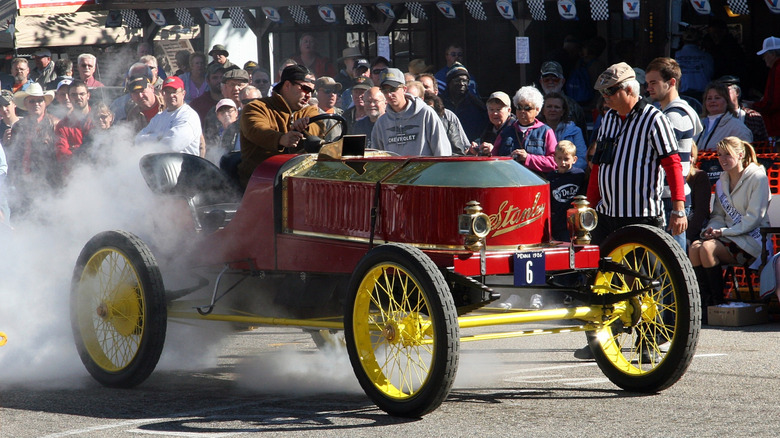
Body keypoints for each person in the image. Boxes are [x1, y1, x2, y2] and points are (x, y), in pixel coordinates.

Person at [575, 62, 687, 360]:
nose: (605, 98)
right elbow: (598, 165)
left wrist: (678, 207)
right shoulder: (609, 118)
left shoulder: (654, 119)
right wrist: (589, 205)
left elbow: (672, 164)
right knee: (598, 279)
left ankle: (647, 343)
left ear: (628, 89)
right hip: (608, 215)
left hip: (642, 217)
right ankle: (601, 340)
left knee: (643, 284)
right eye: (602, 93)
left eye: (610, 92)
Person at [689, 137, 769, 322]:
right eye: (720, 155)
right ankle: (703, 305)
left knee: (707, 248)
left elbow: (753, 218)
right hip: (727, 237)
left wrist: (722, 232)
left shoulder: (758, 177)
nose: (722, 159)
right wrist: (711, 229)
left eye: (728, 155)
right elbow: (718, 215)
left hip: (753, 240)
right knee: (695, 248)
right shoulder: (721, 181)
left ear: (740, 155)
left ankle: (717, 303)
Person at [645, 57, 704, 250]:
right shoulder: (672, 112)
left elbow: (669, 162)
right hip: (670, 198)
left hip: (671, 199)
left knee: (673, 266)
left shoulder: (674, 116)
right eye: (647, 83)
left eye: (654, 82)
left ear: (671, 82)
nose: (649, 88)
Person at [238, 65, 323, 188]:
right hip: (260, 182)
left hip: (301, 180)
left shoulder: (309, 112)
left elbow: (319, 127)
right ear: (287, 85)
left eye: (311, 91)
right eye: (305, 88)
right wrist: (281, 139)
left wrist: (304, 129)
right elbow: (256, 129)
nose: (308, 95)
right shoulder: (256, 107)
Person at [371, 68, 450, 157]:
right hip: (395, 171)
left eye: (393, 89)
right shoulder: (381, 123)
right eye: (385, 91)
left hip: (425, 170)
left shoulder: (425, 113)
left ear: (404, 89)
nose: (389, 94)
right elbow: (377, 158)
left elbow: (442, 151)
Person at [6, 83, 58, 218]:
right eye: (32, 101)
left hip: (46, 183)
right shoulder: (18, 126)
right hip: (22, 183)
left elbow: (59, 156)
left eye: (40, 100)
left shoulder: (54, 124)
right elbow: (14, 156)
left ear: (45, 103)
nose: (36, 104)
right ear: (26, 104)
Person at [492, 86, 557, 174]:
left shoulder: (546, 131)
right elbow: (494, 159)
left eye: (527, 108)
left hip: (536, 183)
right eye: (519, 107)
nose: (522, 111)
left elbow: (554, 162)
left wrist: (528, 158)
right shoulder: (505, 132)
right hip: (509, 182)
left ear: (537, 110)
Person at [136, 76, 201, 156]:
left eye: (174, 91)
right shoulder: (159, 116)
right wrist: (160, 137)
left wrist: (150, 139)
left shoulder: (188, 116)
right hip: (159, 165)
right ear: (162, 94)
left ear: (183, 94)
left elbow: (172, 145)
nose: (171, 95)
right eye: (167, 92)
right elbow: (138, 140)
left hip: (184, 167)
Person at [546, 140, 586, 241]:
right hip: (557, 222)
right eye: (559, 158)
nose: (563, 162)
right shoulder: (551, 177)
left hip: (575, 222)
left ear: (574, 159)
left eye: (566, 159)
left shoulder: (579, 176)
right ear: (554, 158)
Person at [695, 81, 752, 151]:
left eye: (717, 98)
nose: (712, 101)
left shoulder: (736, 127)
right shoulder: (697, 123)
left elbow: (745, 153)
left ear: (727, 101)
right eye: (709, 98)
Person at [538, 61, 588, 137]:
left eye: (555, 79)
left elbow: (583, 135)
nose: (550, 82)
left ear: (563, 81)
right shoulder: (534, 105)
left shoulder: (574, 107)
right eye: (546, 79)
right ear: (541, 81)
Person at [539, 92, 587, 170]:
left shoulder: (574, 131)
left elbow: (582, 158)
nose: (553, 110)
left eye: (557, 107)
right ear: (543, 110)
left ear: (563, 112)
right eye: (549, 106)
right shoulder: (536, 130)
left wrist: (565, 172)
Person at [440, 62, 487, 142]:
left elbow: (484, 128)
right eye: (457, 80)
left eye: (465, 81)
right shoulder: (439, 103)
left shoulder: (476, 105)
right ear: (449, 82)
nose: (462, 84)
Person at [717, 75, 769, 144]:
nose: (722, 95)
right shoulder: (713, 118)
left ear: (737, 92)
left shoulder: (753, 116)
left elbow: (764, 144)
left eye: (726, 91)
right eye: (719, 93)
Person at [54, 80, 92, 166]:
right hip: (73, 175)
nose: (78, 97)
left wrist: (76, 150)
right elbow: (61, 153)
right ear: (69, 98)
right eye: (74, 95)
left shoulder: (99, 119)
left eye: (82, 94)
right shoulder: (62, 126)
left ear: (88, 95)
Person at [467, 91, 516, 156]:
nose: (494, 113)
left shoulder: (516, 128)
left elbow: (516, 156)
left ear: (509, 110)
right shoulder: (486, 128)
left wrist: (494, 151)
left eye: (498, 109)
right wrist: (473, 151)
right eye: (491, 109)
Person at [421, 90, 469, 155]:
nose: (427, 111)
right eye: (423, 108)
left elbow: (458, 154)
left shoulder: (448, 126)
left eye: (430, 108)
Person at [751, 36, 780, 139]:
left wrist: (753, 106)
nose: (763, 58)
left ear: (773, 54)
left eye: (765, 55)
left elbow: (772, 101)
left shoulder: (777, 69)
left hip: (777, 126)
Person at [674, 28, 714, 98]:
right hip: (702, 95)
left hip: (681, 94)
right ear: (700, 41)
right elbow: (710, 73)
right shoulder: (707, 56)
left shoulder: (675, 56)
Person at [686, 144, 711, 245]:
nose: (688, 159)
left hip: (695, 229)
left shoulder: (699, 176)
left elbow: (701, 212)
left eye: (691, 156)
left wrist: (688, 236)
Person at [314, 77, 344, 143]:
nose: (332, 94)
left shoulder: (343, 114)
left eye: (334, 91)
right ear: (316, 93)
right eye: (327, 91)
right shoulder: (310, 114)